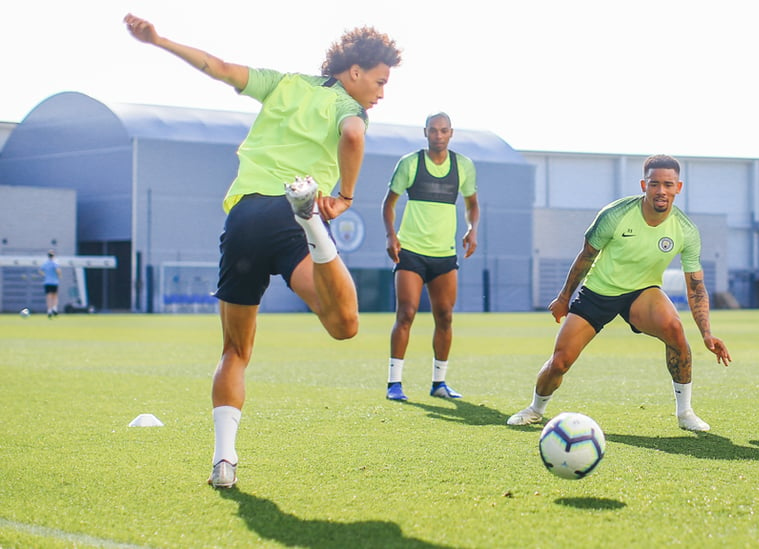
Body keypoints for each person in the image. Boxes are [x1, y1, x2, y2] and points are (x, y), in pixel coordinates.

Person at [124, 14, 401, 488]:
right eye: (379, 81)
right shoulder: (346, 106)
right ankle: (313, 222)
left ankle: (224, 462)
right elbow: (353, 137)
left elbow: (218, 67)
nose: (381, 92)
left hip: (245, 215)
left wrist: (159, 40)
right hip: (292, 217)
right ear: (354, 72)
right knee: (345, 324)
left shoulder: (283, 84)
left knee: (234, 349)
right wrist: (348, 196)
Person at [507, 154, 731, 432]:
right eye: (654, 184)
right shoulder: (615, 214)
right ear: (643, 185)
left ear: (678, 187)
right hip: (599, 291)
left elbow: (696, 288)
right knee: (560, 361)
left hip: (642, 292)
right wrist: (564, 297)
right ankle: (535, 409)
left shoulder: (685, 230)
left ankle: (685, 413)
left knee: (675, 330)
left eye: (668, 185)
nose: (661, 191)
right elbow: (586, 256)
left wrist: (707, 334)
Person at [382, 113, 479, 401]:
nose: (438, 135)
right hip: (410, 250)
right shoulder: (410, 163)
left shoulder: (463, 166)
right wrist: (391, 235)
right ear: (426, 132)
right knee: (407, 313)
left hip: (444, 254)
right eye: (434, 131)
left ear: (451, 133)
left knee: (445, 317)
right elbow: (389, 204)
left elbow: (472, 204)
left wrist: (472, 230)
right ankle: (394, 384)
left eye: (444, 131)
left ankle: (439, 383)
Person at [39, 250, 61, 318]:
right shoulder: (55, 263)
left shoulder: (46, 263)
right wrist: (59, 275)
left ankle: (49, 310)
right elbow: (58, 271)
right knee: (55, 296)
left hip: (47, 282)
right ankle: (54, 308)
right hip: (54, 282)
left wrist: (45, 275)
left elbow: (40, 271)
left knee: (48, 297)